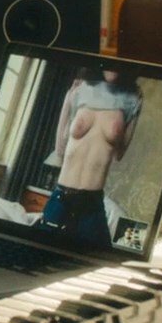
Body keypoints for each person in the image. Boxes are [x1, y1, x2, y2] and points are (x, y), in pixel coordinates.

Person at [41, 69, 142, 244]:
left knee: (100, 258)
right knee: (37, 253)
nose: (113, 67)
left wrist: (135, 112)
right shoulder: (80, 89)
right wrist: (68, 100)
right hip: (61, 196)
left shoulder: (132, 99)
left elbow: (119, 155)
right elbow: (60, 149)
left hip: (92, 203)